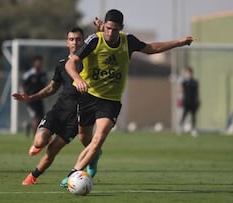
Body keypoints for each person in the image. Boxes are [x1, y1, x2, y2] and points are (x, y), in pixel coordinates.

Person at [60, 9, 194, 187]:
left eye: (115, 29)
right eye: (107, 28)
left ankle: (74, 174)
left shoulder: (128, 41)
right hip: (89, 96)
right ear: (104, 26)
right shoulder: (94, 40)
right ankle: (94, 155)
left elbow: (151, 48)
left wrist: (178, 42)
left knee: (99, 137)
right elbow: (71, 62)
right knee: (85, 137)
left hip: (111, 100)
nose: (110, 33)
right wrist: (78, 79)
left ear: (120, 28)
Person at [12, 27, 96, 185]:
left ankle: (33, 176)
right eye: (72, 39)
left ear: (83, 42)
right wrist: (31, 97)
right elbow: (52, 88)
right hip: (59, 110)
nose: (75, 42)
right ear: (67, 43)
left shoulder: (91, 63)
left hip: (76, 117)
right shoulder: (62, 64)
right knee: (39, 141)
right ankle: (43, 139)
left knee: (53, 150)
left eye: (78, 39)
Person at [22, 55, 48, 138]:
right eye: (37, 62)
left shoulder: (43, 74)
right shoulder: (28, 74)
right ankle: (35, 137)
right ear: (34, 63)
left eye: (40, 62)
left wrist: (48, 95)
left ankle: (28, 126)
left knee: (41, 119)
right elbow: (22, 86)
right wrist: (24, 95)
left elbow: (46, 86)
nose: (39, 63)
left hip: (39, 99)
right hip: (30, 99)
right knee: (36, 117)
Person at [179, 67, 200, 135]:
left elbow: (197, 92)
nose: (188, 74)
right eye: (187, 73)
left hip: (193, 101)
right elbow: (181, 90)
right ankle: (180, 128)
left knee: (193, 116)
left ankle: (193, 129)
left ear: (192, 73)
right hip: (186, 101)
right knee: (184, 115)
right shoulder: (184, 82)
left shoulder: (195, 82)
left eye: (189, 73)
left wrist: (198, 101)